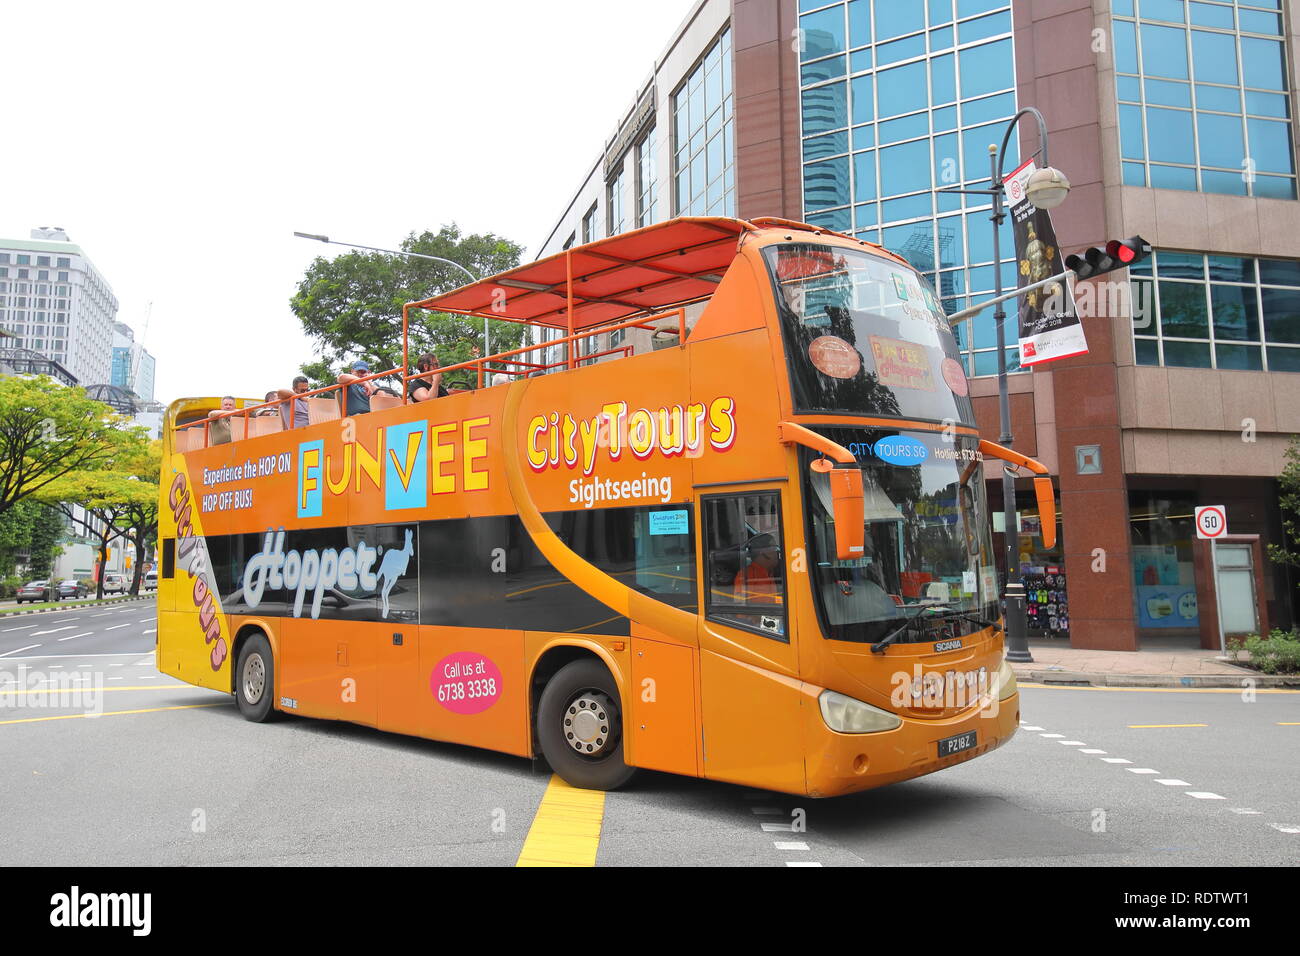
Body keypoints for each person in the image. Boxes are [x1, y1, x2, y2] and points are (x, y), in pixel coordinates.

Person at [733, 533, 782, 605]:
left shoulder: (769, 572)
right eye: (774, 548)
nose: (777, 552)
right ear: (763, 552)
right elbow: (740, 605)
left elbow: (772, 600)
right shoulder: (745, 575)